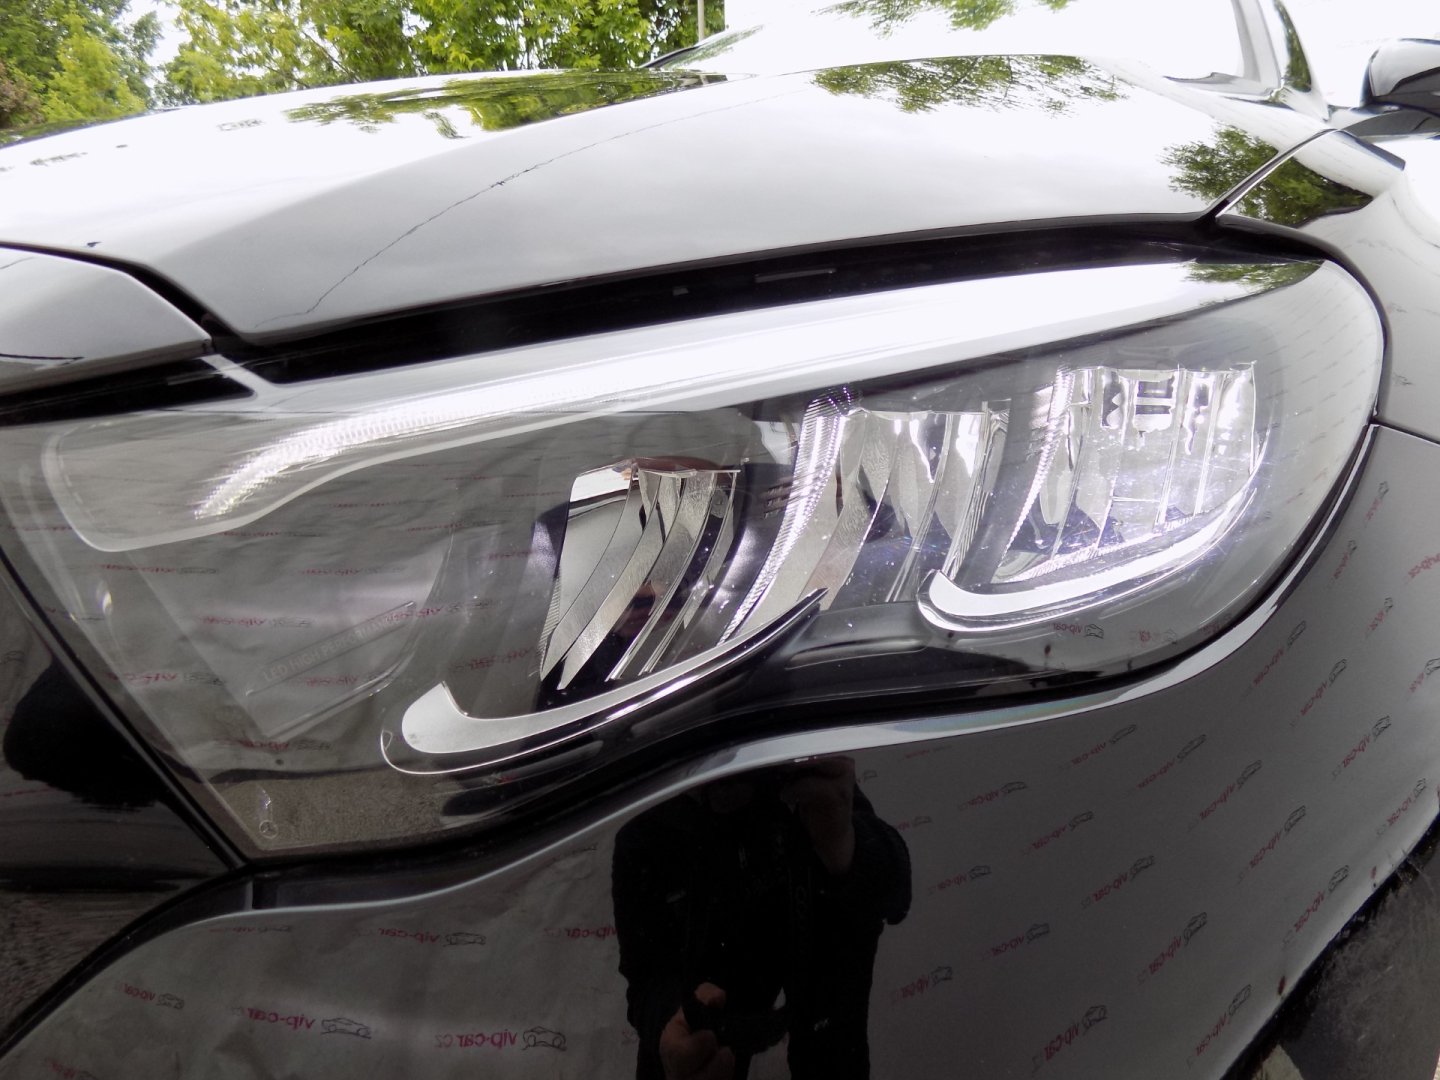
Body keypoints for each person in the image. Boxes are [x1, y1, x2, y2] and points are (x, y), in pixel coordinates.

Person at [612, 757, 911, 1080]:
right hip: (704, 1035)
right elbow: (645, 978)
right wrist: (672, 1024)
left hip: (822, 1028)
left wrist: (840, 842)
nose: (727, 788)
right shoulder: (651, 828)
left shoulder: (800, 785)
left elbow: (894, 894)